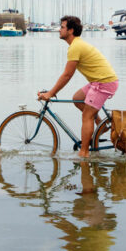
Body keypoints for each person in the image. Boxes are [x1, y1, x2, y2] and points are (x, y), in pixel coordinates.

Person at [37, 15, 118, 157]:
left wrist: (50, 93)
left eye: (62, 27)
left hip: (104, 83)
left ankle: (84, 152)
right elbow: (67, 75)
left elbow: (67, 75)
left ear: (70, 30)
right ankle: (101, 126)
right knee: (77, 98)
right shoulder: (76, 45)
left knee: (87, 116)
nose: (59, 30)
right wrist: (52, 91)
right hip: (99, 81)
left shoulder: (75, 47)